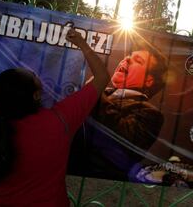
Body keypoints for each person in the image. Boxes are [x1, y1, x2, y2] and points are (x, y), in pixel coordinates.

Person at [0, 29, 110, 206]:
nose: (36, 73)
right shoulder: (60, 120)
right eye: (34, 76)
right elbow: (102, 77)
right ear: (36, 95)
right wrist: (83, 45)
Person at [68, 46, 168, 180]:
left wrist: (97, 94)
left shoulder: (151, 114)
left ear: (148, 80)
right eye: (128, 56)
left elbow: (118, 139)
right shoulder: (100, 93)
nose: (126, 59)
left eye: (137, 60)